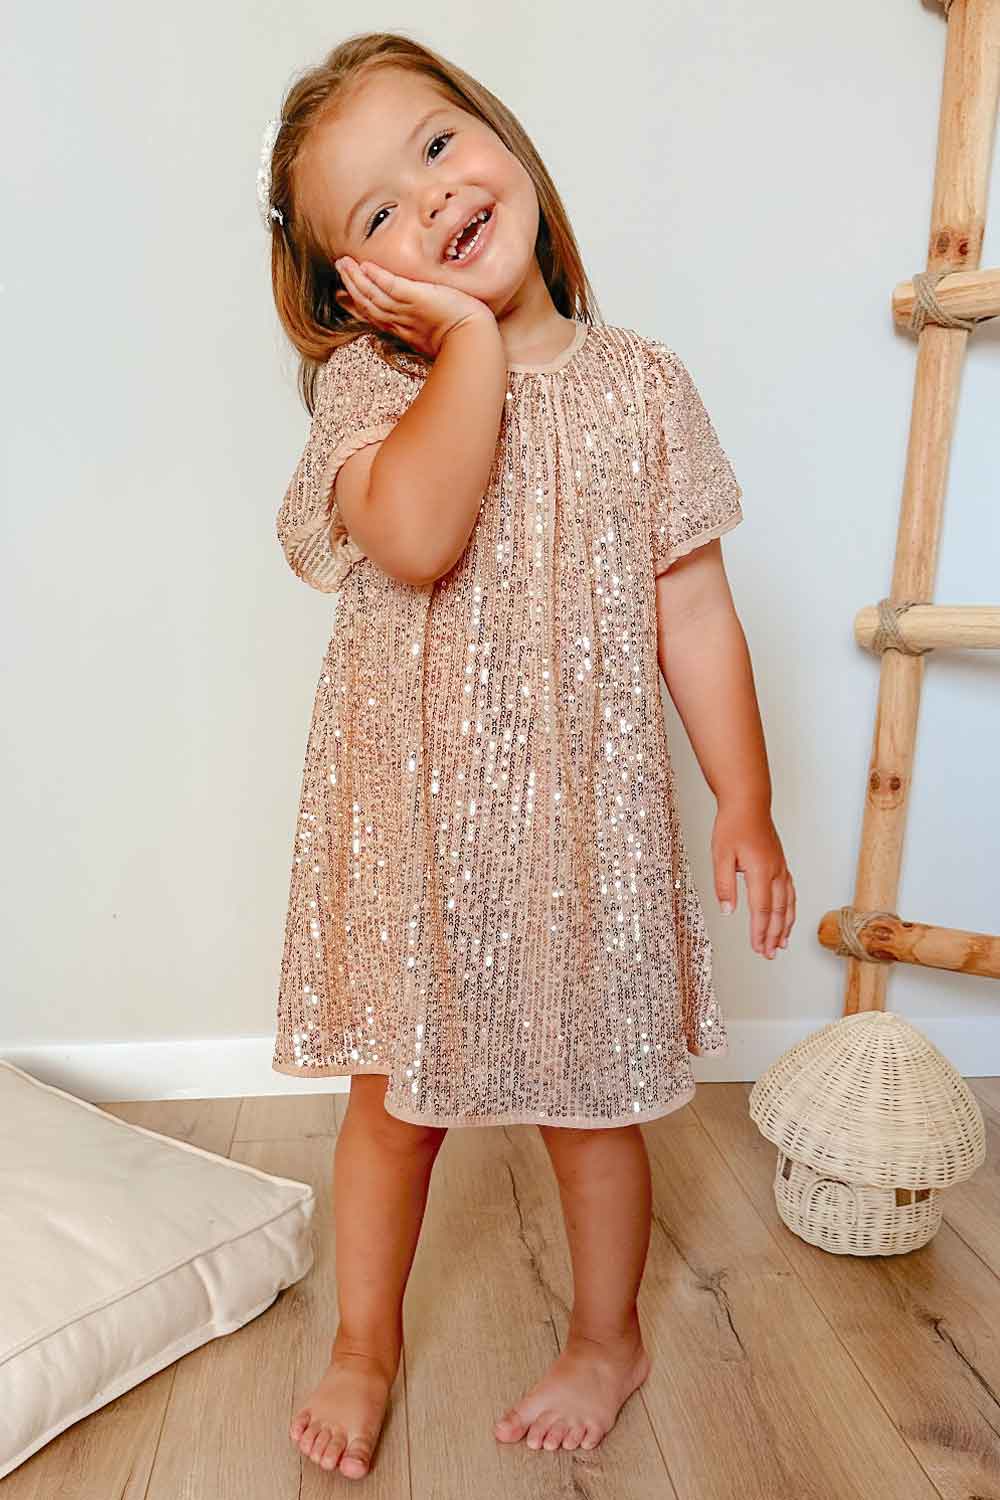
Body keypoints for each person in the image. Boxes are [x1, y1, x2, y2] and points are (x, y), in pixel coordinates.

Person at [261, 30, 795, 1482]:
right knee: (392, 1111)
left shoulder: (643, 388)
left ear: (504, 138)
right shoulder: (373, 393)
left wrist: (744, 800)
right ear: (350, 289)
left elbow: (695, 611)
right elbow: (420, 535)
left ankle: (608, 1336)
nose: (432, 198)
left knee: (591, 1106)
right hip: (415, 838)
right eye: (379, 211)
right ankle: (363, 1342)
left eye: (439, 146)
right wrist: (471, 342)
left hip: (583, 832)